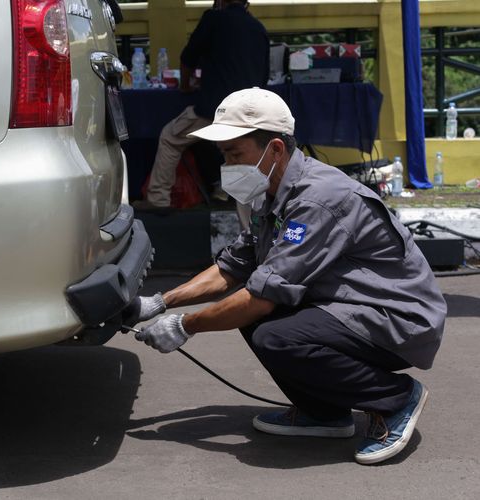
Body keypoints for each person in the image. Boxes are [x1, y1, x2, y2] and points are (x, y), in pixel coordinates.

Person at [124, 88, 446, 465]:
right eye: (223, 156)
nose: (227, 166)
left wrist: (185, 326)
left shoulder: (317, 198)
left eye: (235, 154)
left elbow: (261, 297)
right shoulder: (274, 193)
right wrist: (160, 302)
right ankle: (323, 412)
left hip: (397, 318)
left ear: (274, 149)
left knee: (273, 331)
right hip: (349, 308)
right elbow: (234, 266)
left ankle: (394, 397)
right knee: (252, 318)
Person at [135, 0, 269, 210]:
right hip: (248, 112)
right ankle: (226, 193)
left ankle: (158, 200)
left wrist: (186, 86)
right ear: (246, 3)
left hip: (216, 108)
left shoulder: (213, 19)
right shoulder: (258, 28)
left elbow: (188, 58)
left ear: (221, 2)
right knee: (236, 149)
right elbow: (264, 77)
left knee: (171, 138)